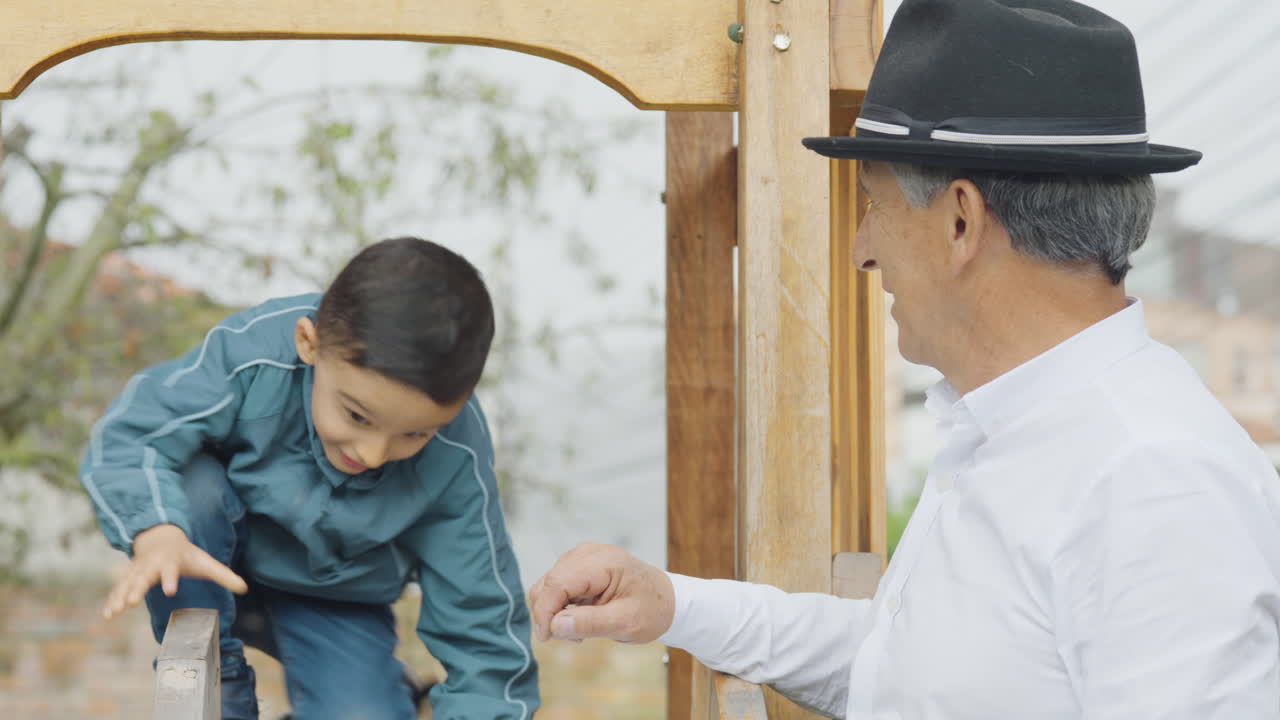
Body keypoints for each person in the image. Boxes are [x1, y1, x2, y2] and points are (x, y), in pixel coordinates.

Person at [528, 0, 1280, 717]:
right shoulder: (1019, 428)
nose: (862, 250)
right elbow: (915, 668)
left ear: (960, 220)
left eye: (873, 206)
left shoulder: (1156, 480)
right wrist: (674, 604)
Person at [82, 237, 538, 720]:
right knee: (192, 484)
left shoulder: (456, 454)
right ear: (309, 343)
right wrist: (156, 533)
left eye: (414, 434)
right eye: (358, 416)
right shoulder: (254, 355)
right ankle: (218, 689)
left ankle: (386, 689)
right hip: (213, 559)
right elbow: (133, 434)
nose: (374, 453)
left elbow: (483, 624)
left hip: (337, 596)